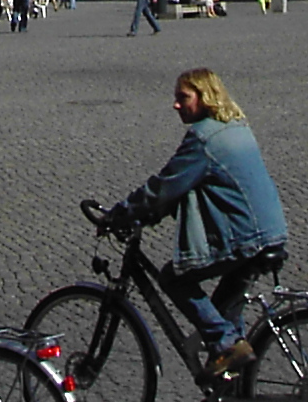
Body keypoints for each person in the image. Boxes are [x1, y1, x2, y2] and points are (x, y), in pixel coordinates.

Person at [99, 67, 289, 380]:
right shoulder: (235, 125)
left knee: (174, 279)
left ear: (204, 97)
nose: (176, 105)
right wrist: (156, 211)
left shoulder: (203, 138)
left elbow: (165, 186)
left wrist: (120, 213)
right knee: (225, 310)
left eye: (183, 97)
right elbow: (189, 185)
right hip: (269, 231)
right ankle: (230, 381)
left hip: (247, 236)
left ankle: (227, 345)